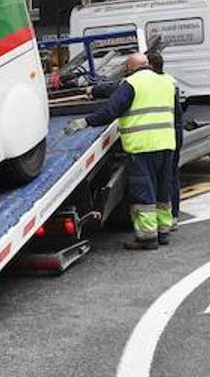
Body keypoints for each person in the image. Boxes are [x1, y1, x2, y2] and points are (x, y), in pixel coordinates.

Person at [64, 53, 177, 250]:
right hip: (167, 143)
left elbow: (111, 111)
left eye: (127, 67)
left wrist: (85, 122)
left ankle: (147, 237)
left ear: (131, 68)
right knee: (162, 189)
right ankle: (163, 232)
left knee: (144, 192)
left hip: (142, 146)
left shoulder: (131, 83)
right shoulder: (167, 82)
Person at [149, 49, 184, 232]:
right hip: (173, 133)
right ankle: (173, 216)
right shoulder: (169, 80)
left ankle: (167, 217)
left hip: (164, 135)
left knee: (165, 178)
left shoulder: (154, 82)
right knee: (171, 176)